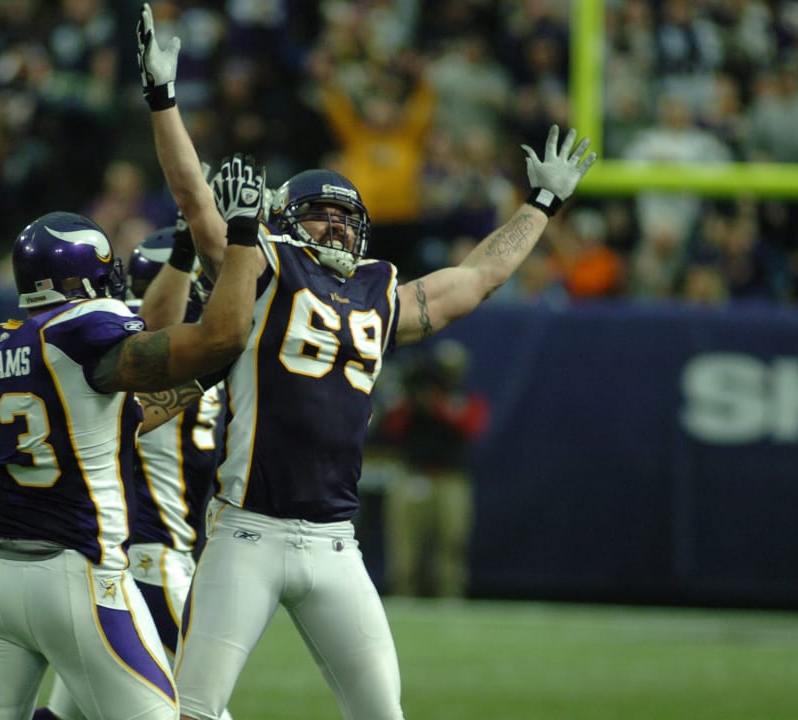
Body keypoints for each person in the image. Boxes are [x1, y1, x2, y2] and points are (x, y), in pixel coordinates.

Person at [136, 5, 597, 718]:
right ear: (290, 217)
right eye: (325, 212)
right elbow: (197, 204)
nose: (340, 227)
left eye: (351, 217)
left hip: (335, 542)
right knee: (193, 710)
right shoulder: (263, 266)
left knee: (382, 713)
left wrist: (541, 203)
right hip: (246, 529)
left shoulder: (379, 288)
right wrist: (164, 100)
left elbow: (475, 281)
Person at [0, 182, 265, 720]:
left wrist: (203, 382)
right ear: (83, 275)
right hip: (73, 570)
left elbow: (125, 418)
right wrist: (240, 234)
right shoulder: (79, 331)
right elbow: (222, 334)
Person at [36, 222, 231, 720]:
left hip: (151, 550)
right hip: (150, 554)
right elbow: (152, 323)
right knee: (198, 707)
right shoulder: (137, 343)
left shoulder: (200, 349)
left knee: (69, 712)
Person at [378, 339, 489, 599]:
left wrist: (435, 403)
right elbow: (392, 428)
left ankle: (450, 595)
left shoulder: (464, 397)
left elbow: (471, 425)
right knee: (404, 546)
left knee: (452, 541)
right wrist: (410, 399)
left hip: (450, 479)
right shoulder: (411, 396)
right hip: (411, 474)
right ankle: (402, 594)